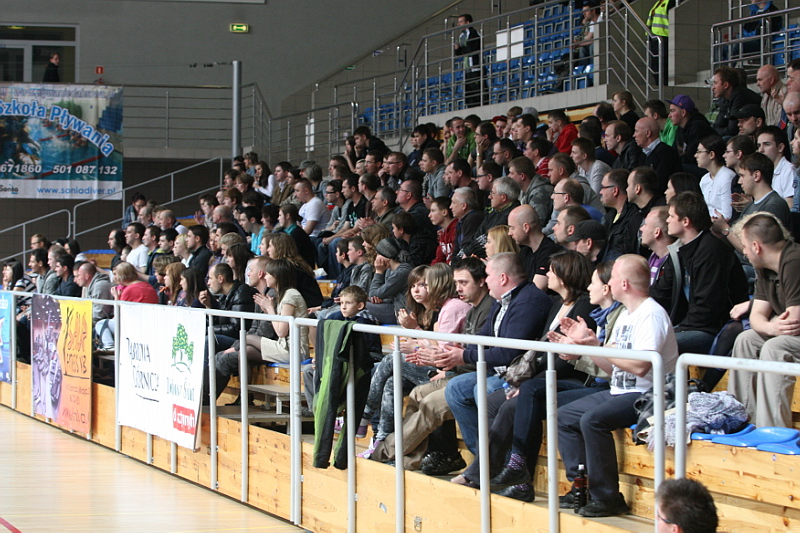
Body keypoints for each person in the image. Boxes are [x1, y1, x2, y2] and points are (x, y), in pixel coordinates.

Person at [558, 254, 678, 517]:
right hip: (620, 390)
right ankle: (581, 486)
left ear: (624, 284)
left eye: (612, 277)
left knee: (592, 420)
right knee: (564, 416)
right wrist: (590, 346)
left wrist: (599, 348)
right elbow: (613, 368)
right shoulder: (625, 315)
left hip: (649, 395)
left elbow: (640, 366)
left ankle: (607, 497)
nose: (608, 282)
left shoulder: (651, 314)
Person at [367, 258, 493, 471]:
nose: (458, 288)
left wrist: (417, 339)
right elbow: (450, 351)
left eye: (425, 284)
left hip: (462, 372)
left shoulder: (456, 307)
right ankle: (405, 455)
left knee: (394, 362)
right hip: (455, 369)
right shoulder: (468, 309)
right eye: (456, 283)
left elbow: (447, 351)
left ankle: (380, 443)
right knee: (403, 387)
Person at [440, 253, 553, 456]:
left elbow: (510, 352)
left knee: (483, 390)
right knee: (455, 388)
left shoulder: (528, 302)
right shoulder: (501, 300)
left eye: (488, 275)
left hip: (519, 376)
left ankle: (500, 459)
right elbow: (483, 337)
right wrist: (456, 351)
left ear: (503, 278)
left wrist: (464, 356)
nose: (485, 281)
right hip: (497, 370)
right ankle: (482, 457)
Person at [650, 192, 749, 355]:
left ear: (686, 221)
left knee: (656, 347)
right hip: (690, 325)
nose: (667, 220)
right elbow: (661, 292)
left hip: (712, 329)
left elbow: (708, 308)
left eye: (671, 216)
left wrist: (678, 329)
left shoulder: (712, 252)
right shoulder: (680, 250)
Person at [728, 213, 800, 428]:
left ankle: (772, 431)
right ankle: (741, 421)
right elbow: (756, 316)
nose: (744, 252)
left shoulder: (794, 261)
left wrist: (772, 325)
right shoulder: (763, 267)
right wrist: (771, 325)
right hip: (789, 334)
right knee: (746, 339)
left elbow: (793, 322)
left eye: (745, 246)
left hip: (793, 335)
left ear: (756, 246)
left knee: (775, 347)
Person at [244, 258, 309, 364]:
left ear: (276, 276)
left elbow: (281, 332)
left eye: (267, 274)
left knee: (247, 339)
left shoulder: (290, 295)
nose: (265, 277)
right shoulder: (284, 294)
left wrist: (270, 309)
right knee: (247, 351)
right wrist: (267, 311)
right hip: (284, 347)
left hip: (295, 351)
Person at [95, 262, 159, 350]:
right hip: (148, 324)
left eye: (116, 274)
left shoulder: (130, 289)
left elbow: (119, 314)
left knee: (101, 323)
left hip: (134, 325)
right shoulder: (148, 286)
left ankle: (109, 346)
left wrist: (116, 297)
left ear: (121, 276)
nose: (114, 277)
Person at [507, 204, 562, 290]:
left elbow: (536, 290)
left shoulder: (551, 252)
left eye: (512, 228)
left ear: (526, 227)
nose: (509, 233)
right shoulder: (525, 251)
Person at [366, 237, 413, 325]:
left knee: (360, 305)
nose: (376, 257)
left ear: (386, 257)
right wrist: (380, 299)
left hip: (402, 312)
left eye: (378, 254)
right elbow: (384, 294)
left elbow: (373, 294)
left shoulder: (402, 272)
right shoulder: (389, 270)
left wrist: (378, 272)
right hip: (392, 306)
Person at [634, 117, 683, 195]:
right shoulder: (642, 154)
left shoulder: (666, 153)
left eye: (636, 131)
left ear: (648, 133)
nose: (634, 135)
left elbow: (660, 184)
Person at [711, 66, 762, 139]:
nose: (713, 88)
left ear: (726, 85)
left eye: (715, 83)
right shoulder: (724, 99)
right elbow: (717, 126)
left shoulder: (741, 96)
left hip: (754, 135)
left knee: (725, 139)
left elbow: (733, 130)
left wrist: (718, 131)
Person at [697, 135, 736, 220]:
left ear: (711, 154)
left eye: (699, 152)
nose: (696, 155)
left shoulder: (727, 177)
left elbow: (727, 214)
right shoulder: (704, 179)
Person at [454, 14, 482, 107]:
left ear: (467, 22)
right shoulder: (462, 36)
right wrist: (457, 49)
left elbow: (472, 48)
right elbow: (459, 53)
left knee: (476, 88)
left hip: (475, 66)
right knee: (469, 90)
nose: (459, 24)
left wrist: (461, 49)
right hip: (467, 67)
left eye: (461, 22)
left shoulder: (473, 33)